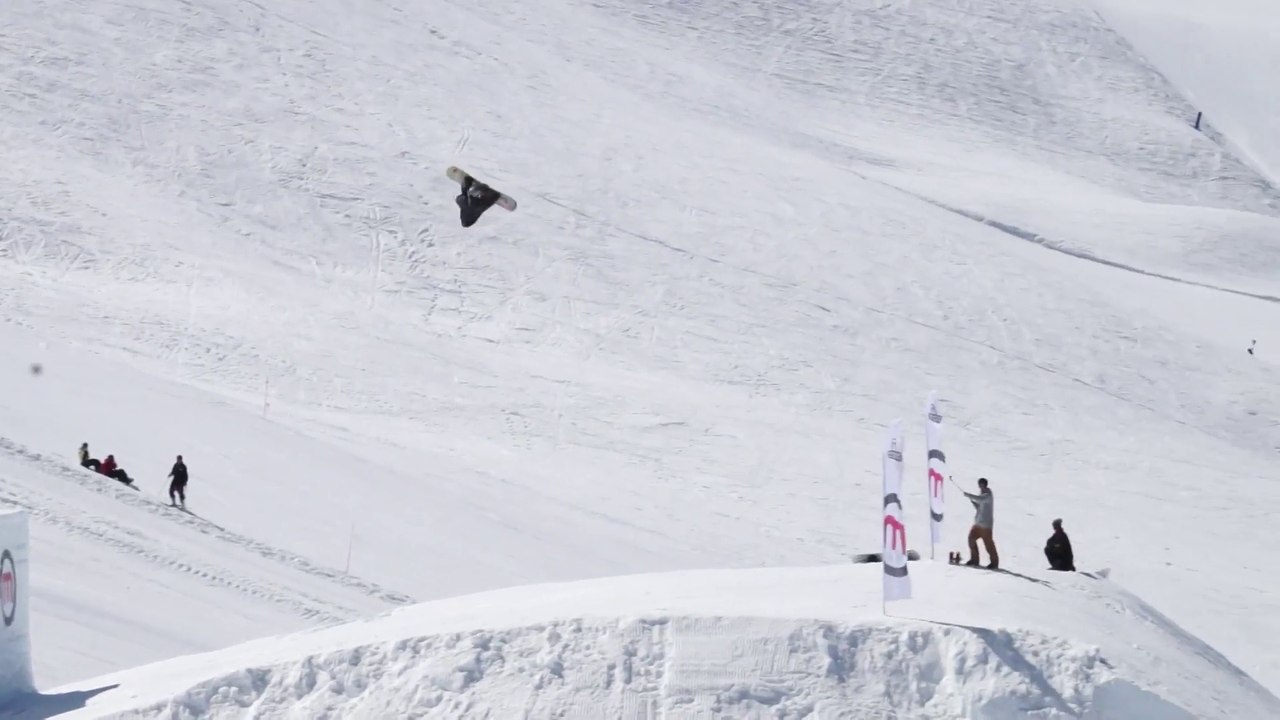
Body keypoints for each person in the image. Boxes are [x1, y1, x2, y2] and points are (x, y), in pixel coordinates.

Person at [958, 477, 998, 569]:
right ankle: (974, 559)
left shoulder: (988, 495)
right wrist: (974, 503)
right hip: (978, 524)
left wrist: (968, 495)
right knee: (971, 539)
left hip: (986, 525)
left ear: (985, 485)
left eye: (981, 485)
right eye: (979, 485)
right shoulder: (982, 495)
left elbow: (981, 500)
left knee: (988, 545)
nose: (980, 487)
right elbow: (980, 507)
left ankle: (994, 563)